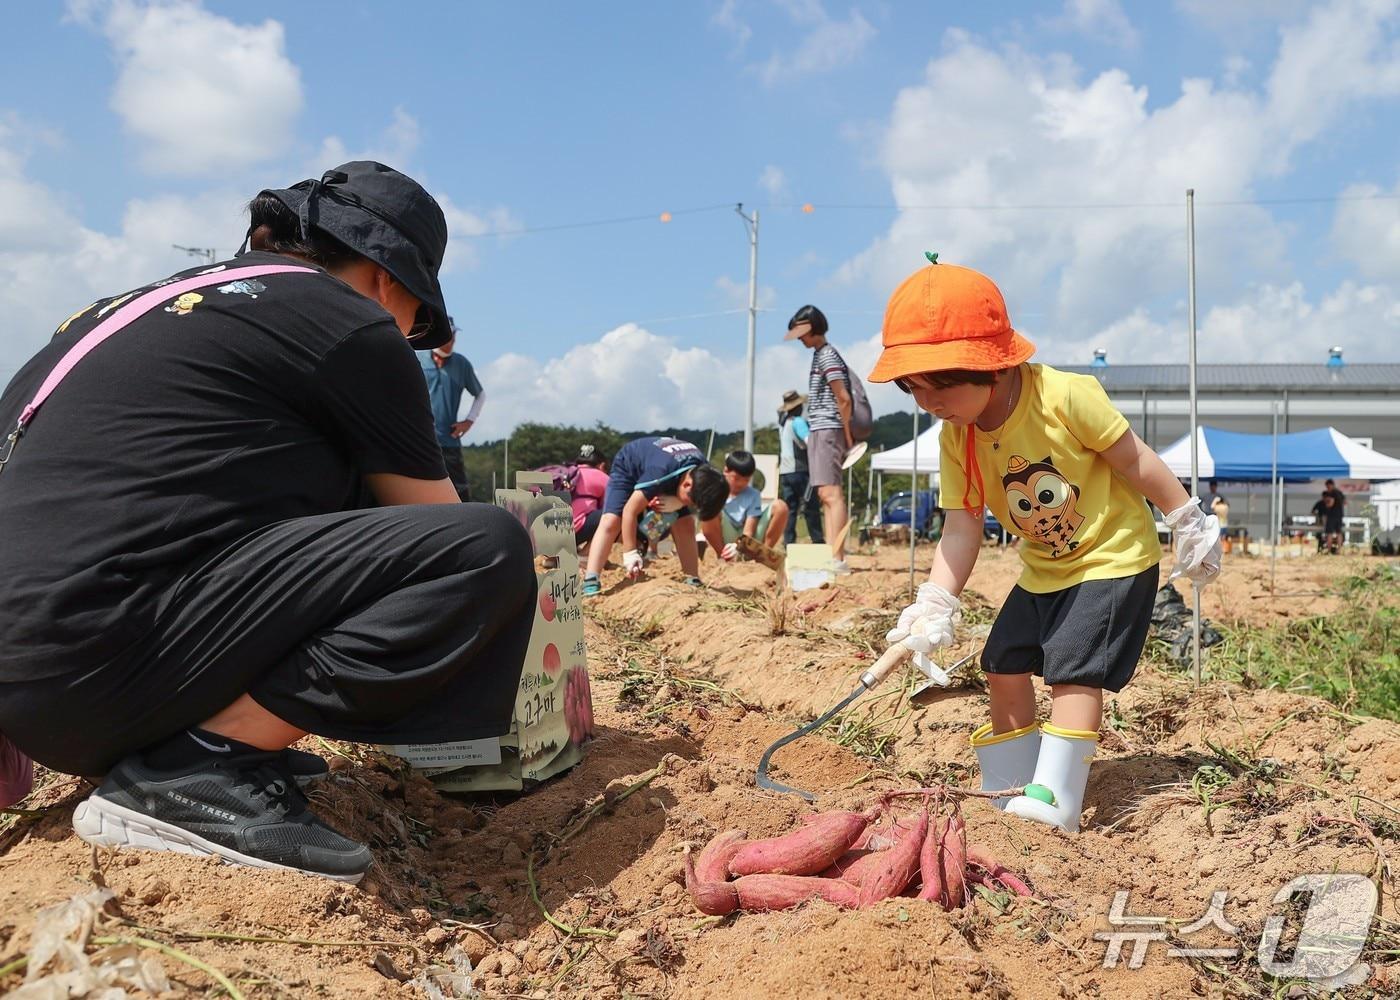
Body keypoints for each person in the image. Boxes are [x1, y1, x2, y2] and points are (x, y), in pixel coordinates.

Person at [0, 161, 536, 881]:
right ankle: (202, 765)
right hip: (95, 669)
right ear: (389, 282)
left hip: (31, 691)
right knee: (482, 548)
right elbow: (434, 533)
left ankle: (200, 735)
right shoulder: (352, 323)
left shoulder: (111, 312)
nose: (405, 333)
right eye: (416, 320)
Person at [870, 258, 1221, 833]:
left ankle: (1057, 801)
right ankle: (1014, 787)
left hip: (1111, 557)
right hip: (1044, 569)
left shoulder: (1064, 397)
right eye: (914, 389)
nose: (928, 402)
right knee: (1001, 661)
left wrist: (1184, 516)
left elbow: (1133, 458)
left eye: (942, 384)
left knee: (1071, 673)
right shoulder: (957, 437)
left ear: (994, 364)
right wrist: (934, 600)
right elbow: (961, 529)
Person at [579, 436, 726, 596]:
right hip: (630, 465)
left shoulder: (706, 475)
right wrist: (630, 553)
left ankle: (692, 578)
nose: (690, 506)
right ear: (687, 485)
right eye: (691, 502)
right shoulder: (660, 472)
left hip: (670, 471)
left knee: (686, 523)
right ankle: (591, 579)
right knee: (612, 520)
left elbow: (697, 504)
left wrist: (679, 502)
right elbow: (630, 511)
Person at [786, 305, 853, 572]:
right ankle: (832, 555)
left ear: (813, 328)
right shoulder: (820, 354)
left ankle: (838, 558)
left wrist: (847, 435)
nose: (800, 339)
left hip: (828, 428)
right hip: (822, 429)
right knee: (825, 494)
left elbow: (843, 397)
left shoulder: (826, 355)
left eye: (802, 332)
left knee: (832, 494)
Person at [418, 324, 485, 501]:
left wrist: (469, 420)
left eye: (453, 335)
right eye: (447, 335)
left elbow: (480, 394)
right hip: (420, 438)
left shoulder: (461, 364)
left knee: (459, 492)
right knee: (418, 488)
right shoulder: (417, 359)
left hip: (449, 440)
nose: (451, 340)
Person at [701, 450, 791, 560]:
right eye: (737, 478)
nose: (741, 483)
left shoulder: (753, 495)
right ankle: (723, 555)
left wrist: (740, 545)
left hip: (747, 540)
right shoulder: (714, 492)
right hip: (726, 536)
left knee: (780, 507)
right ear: (726, 471)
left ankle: (764, 555)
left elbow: (749, 529)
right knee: (709, 511)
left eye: (746, 480)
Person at [777, 390, 824, 544]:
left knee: (791, 509)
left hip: (785, 471)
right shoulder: (798, 422)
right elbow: (810, 442)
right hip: (800, 470)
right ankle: (817, 541)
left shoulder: (783, 424)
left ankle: (788, 542)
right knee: (811, 506)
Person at [571, 444, 611, 550]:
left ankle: (552, 558)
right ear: (602, 465)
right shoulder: (603, 477)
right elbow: (609, 508)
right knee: (613, 514)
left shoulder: (567, 474)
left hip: (545, 534)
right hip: (573, 532)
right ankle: (585, 555)